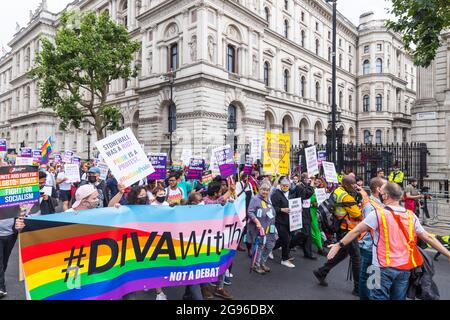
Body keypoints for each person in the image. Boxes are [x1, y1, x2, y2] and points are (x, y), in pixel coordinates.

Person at [327, 182, 450, 300]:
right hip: (404, 269)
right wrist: (448, 254)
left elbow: (356, 231)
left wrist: (339, 244)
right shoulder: (411, 215)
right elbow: (428, 237)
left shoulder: (378, 214)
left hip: (380, 268)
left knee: (376, 296)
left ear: (385, 195)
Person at [313, 175, 362, 296]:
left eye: (355, 184)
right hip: (347, 229)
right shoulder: (346, 197)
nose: (354, 186)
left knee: (343, 253)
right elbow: (357, 214)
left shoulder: (338, 190)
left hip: (340, 228)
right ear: (346, 185)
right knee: (356, 258)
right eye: (352, 185)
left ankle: (322, 272)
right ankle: (357, 288)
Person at [202, 181, 235, 300]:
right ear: (215, 193)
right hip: (207, 238)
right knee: (206, 263)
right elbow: (218, 201)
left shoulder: (216, 200)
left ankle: (219, 288)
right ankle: (204, 288)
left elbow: (222, 200)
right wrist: (230, 191)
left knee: (223, 260)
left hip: (220, 235)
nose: (221, 193)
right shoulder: (205, 202)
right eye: (220, 192)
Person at [358, 177, 386, 300]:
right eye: (385, 186)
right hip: (369, 246)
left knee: (374, 276)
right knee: (368, 276)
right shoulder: (370, 205)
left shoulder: (381, 204)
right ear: (378, 189)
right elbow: (369, 227)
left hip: (378, 246)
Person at [247, 182, 277, 274]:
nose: (265, 192)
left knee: (270, 245)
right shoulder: (255, 199)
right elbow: (250, 212)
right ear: (259, 189)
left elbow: (274, 186)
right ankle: (256, 265)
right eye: (263, 189)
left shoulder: (268, 198)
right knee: (260, 247)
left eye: (267, 190)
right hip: (260, 228)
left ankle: (262, 262)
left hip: (270, 227)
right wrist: (257, 222)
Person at [290, 173, 316, 260]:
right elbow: (307, 194)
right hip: (301, 211)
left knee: (308, 233)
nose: (310, 180)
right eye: (309, 178)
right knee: (304, 233)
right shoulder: (299, 186)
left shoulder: (305, 186)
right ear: (304, 179)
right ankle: (289, 245)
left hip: (307, 211)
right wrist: (312, 184)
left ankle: (308, 253)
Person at [270, 177, 294, 268]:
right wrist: (281, 209)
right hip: (279, 221)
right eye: (283, 185)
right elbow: (272, 208)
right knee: (286, 239)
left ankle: (269, 249)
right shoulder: (276, 194)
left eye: (287, 186)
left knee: (282, 240)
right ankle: (284, 259)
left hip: (288, 221)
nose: (285, 187)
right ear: (280, 185)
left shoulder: (291, 193)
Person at [0, 206, 20, 298]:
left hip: (11, 235)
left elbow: (23, 211)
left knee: (4, 261)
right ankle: (1, 287)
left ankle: (1, 279)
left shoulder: (12, 197)